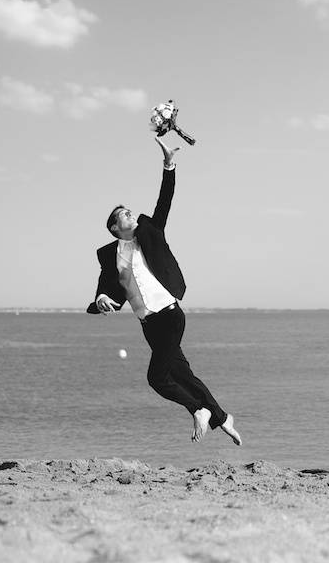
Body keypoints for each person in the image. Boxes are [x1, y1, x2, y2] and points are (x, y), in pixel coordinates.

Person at [87, 138, 241, 446]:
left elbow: (164, 200)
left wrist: (169, 165)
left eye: (130, 211)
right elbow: (107, 286)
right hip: (149, 325)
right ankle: (222, 418)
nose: (131, 215)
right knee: (182, 374)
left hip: (170, 316)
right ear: (116, 228)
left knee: (157, 378)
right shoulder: (109, 255)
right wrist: (101, 299)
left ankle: (198, 409)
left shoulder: (151, 234)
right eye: (124, 215)